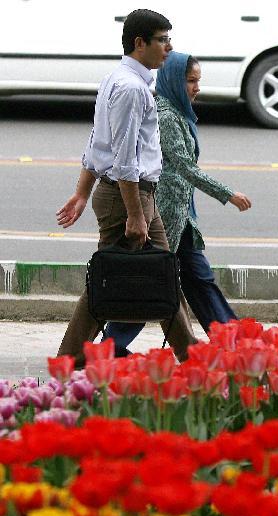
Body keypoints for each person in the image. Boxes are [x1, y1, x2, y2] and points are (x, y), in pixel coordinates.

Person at [55, 9, 197, 365]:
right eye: (163, 39)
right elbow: (123, 158)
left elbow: (96, 143)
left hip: (133, 196)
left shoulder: (116, 79)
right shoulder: (132, 89)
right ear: (140, 43)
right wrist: (135, 214)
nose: (169, 47)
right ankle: (67, 362)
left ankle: (194, 360)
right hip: (129, 198)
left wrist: (83, 193)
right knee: (108, 280)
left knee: (164, 276)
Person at [104, 52, 252, 352]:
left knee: (199, 278)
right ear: (173, 80)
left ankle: (235, 343)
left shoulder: (179, 112)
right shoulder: (167, 116)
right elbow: (186, 168)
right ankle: (111, 347)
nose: (196, 88)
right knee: (151, 284)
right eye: (191, 81)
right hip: (164, 217)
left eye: (198, 81)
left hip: (181, 217)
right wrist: (228, 194)